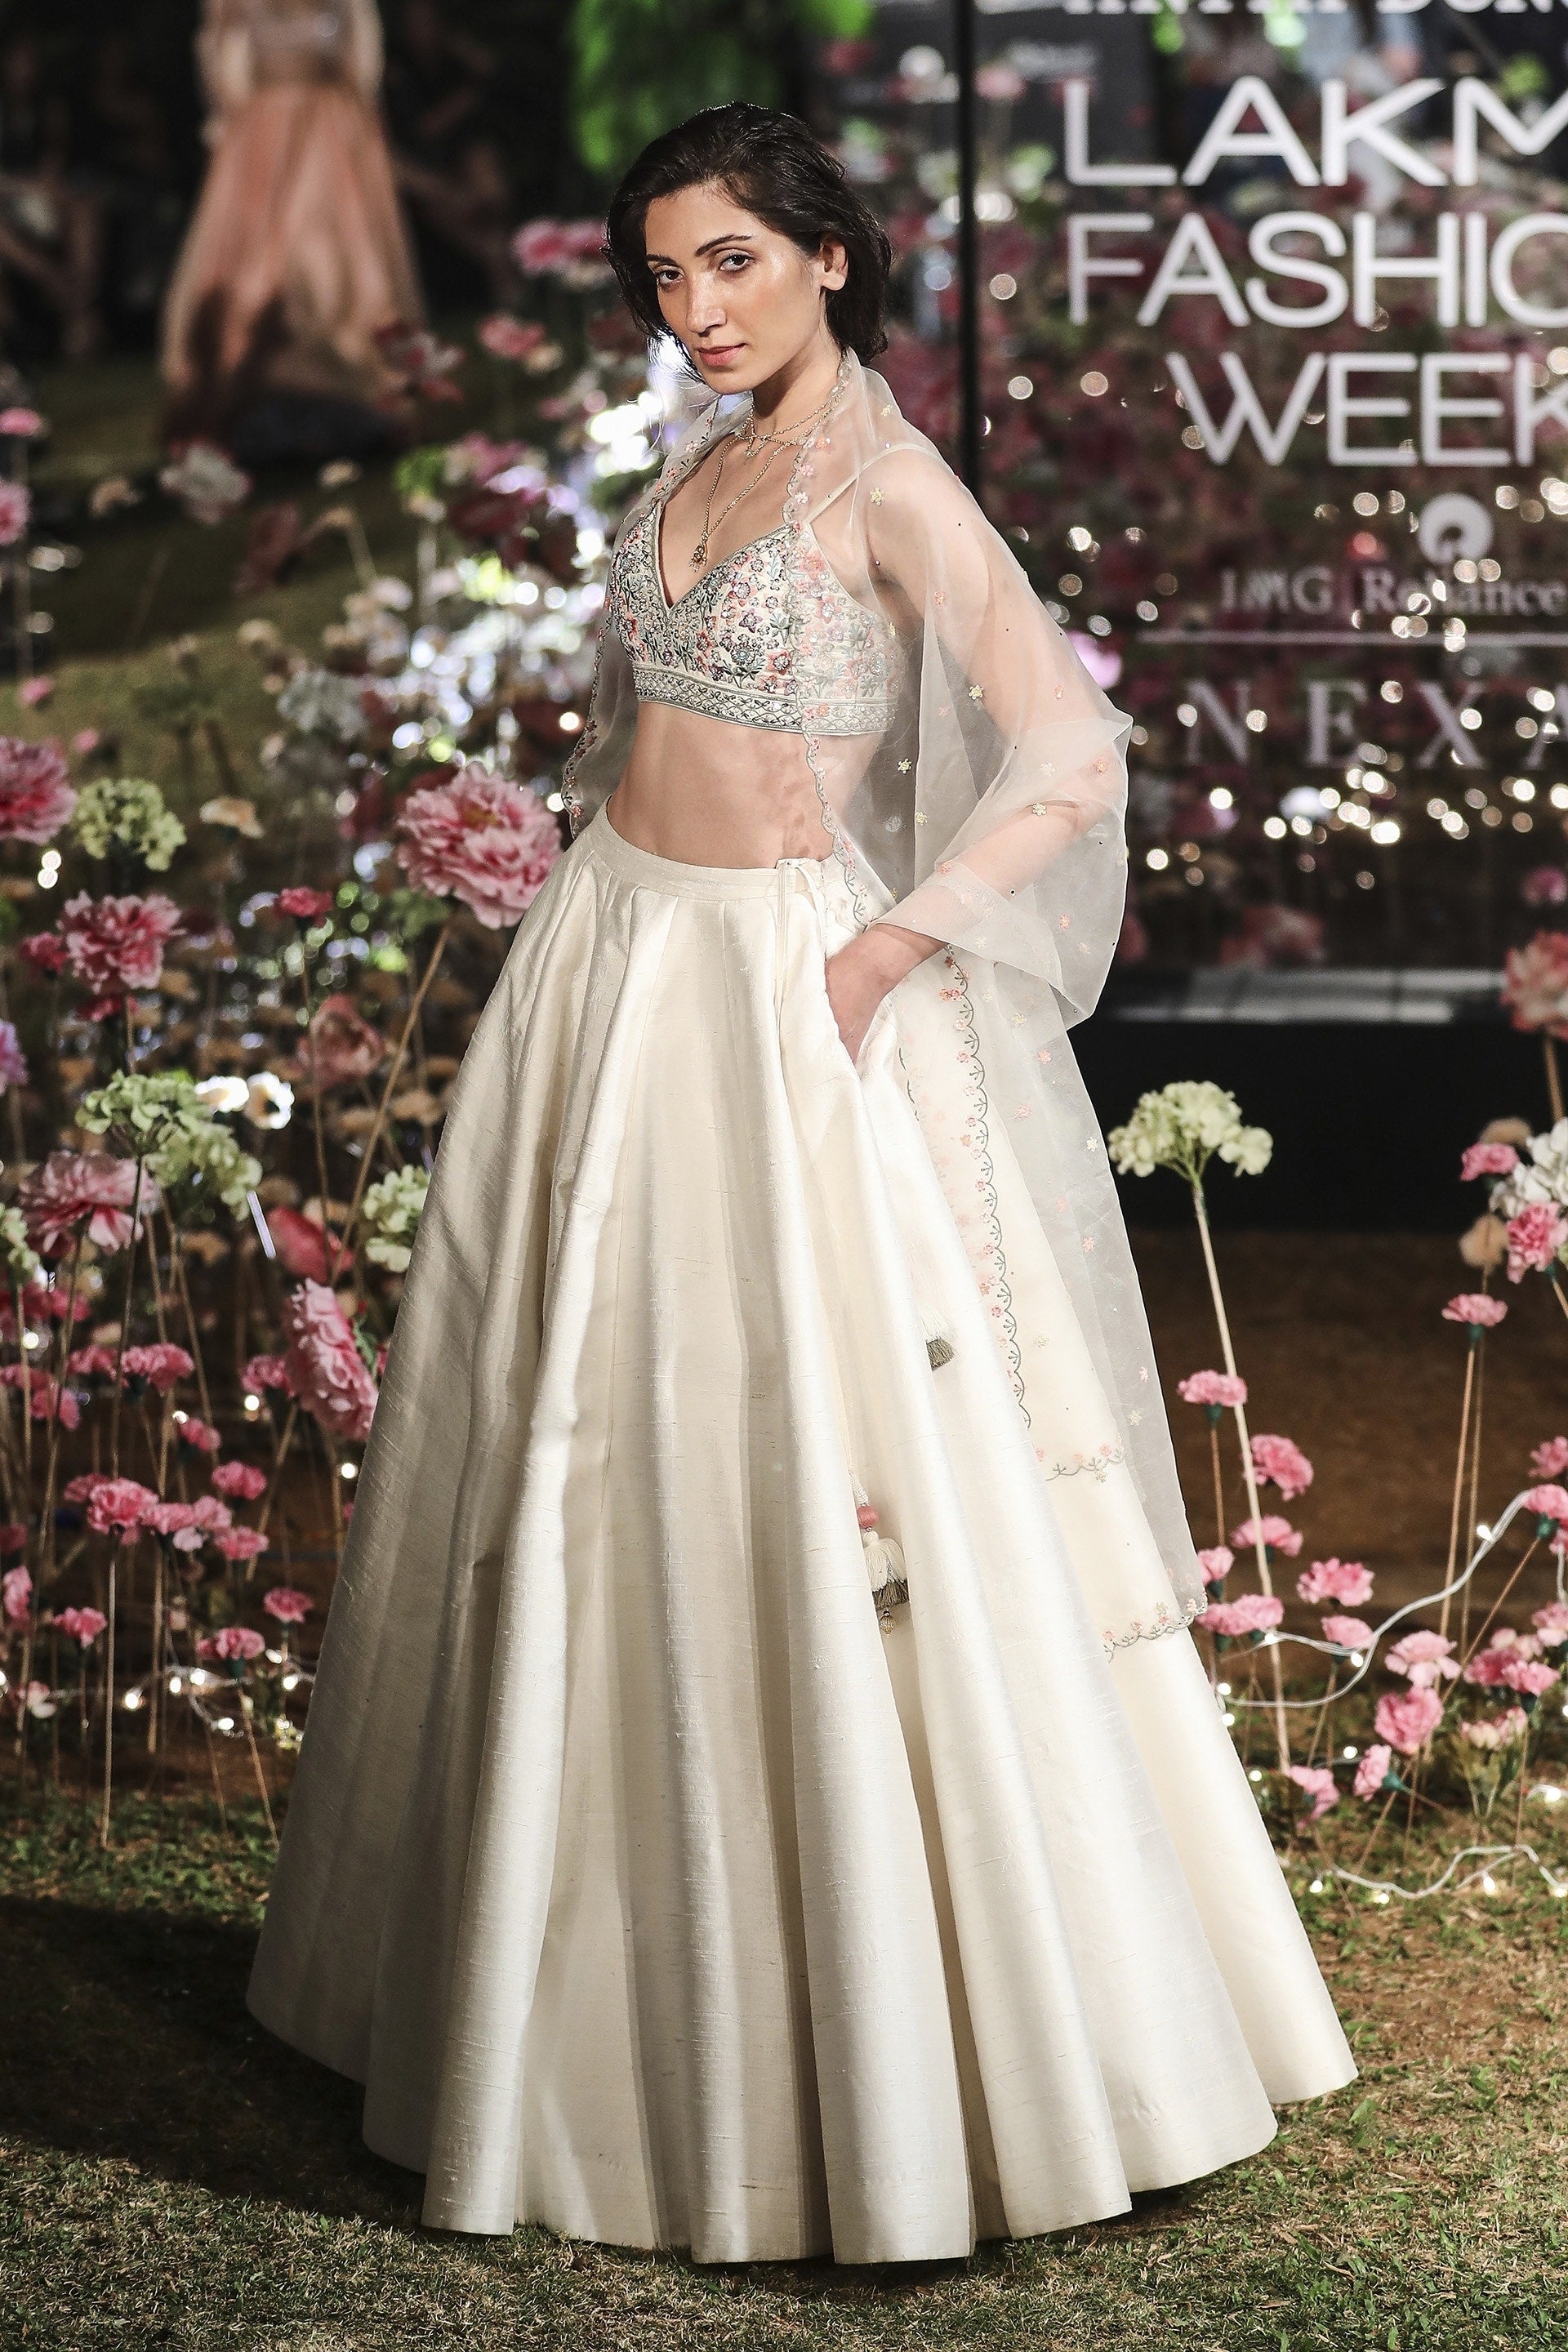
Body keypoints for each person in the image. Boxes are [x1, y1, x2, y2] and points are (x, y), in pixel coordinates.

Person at [246, 102, 1356, 2266]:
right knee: (563, 1436)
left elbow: (1073, 753)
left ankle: (897, 2034)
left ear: (832, 257)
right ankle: (531, 1985)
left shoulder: (895, 488)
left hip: (778, 990)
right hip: (612, 965)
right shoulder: (697, 465)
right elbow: (642, 738)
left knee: (809, 1450)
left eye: (735, 261)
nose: (697, 308)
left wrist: (874, 953)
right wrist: (586, 908)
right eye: (667, 273)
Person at [160, 0, 422, 457]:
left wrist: (359, 112)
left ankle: (342, 389)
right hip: (263, 143)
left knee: (327, 262)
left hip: (329, 137)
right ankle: (261, 392)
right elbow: (220, 57)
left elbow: (359, 55)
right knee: (263, 266)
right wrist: (227, 118)